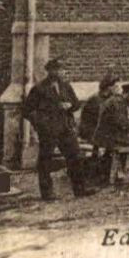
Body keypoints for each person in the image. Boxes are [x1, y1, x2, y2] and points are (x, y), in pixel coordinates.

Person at [21, 58, 93, 200]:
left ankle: (80, 190)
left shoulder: (66, 86)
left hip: (66, 128)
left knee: (75, 157)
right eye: (59, 69)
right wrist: (42, 124)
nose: (62, 72)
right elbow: (27, 111)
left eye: (63, 69)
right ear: (50, 71)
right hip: (49, 131)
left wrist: (70, 106)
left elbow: (77, 104)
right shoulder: (39, 88)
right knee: (46, 160)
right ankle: (47, 193)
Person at [93, 74, 129, 187]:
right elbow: (121, 123)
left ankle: (123, 173)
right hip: (108, 137)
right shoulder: (118, 102)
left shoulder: (117, 100)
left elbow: (121, 120)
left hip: (106, 135)